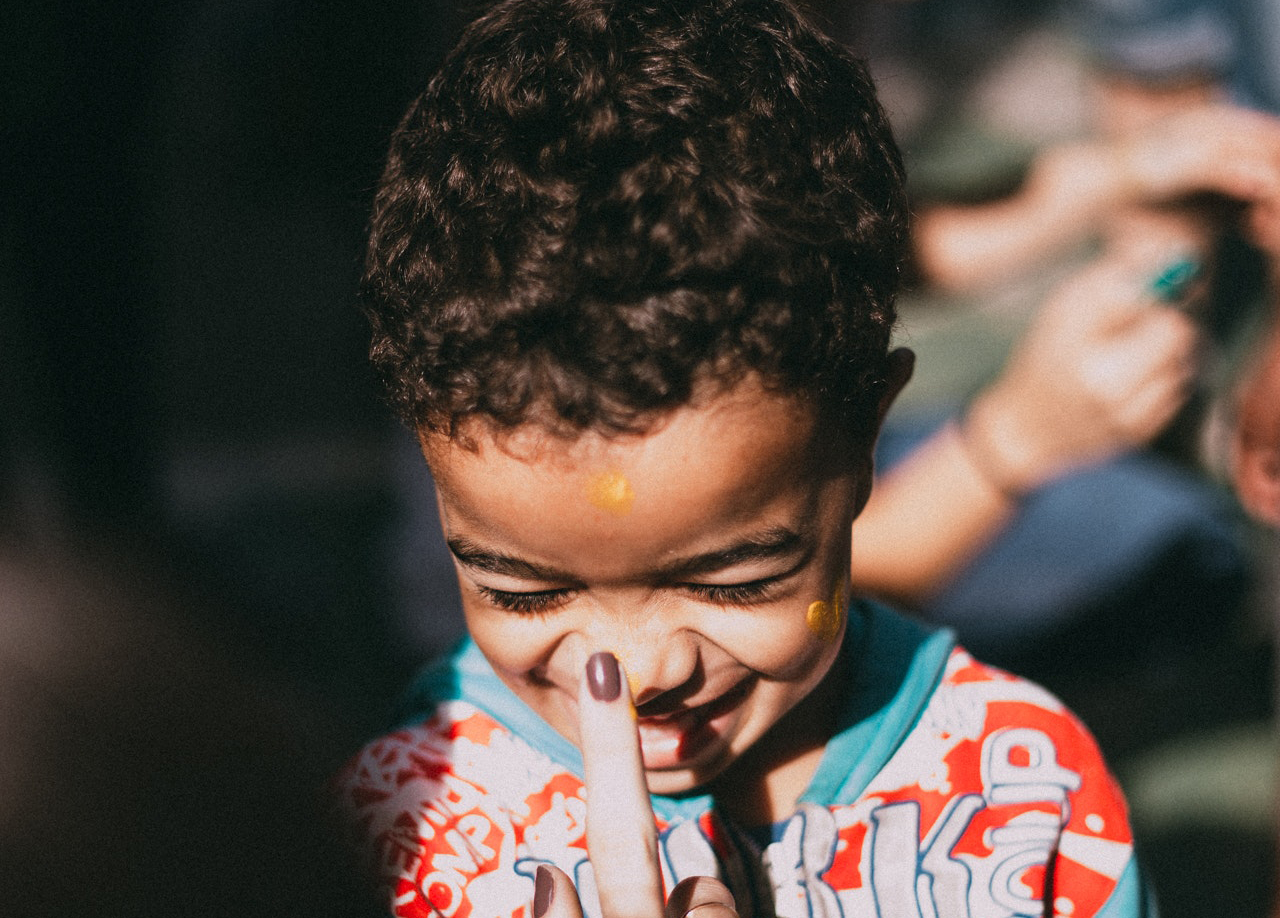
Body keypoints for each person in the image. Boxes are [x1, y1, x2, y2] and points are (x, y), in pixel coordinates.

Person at [334, 1, 1151, 915]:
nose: (640, 676)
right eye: (522, 591)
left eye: (735, 581)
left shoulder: (1028, 804)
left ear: (865, 437)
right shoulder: (400, 820)